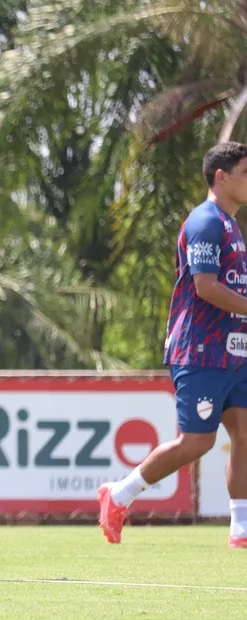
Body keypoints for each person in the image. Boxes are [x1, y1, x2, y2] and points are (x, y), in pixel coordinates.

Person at [98, 141, 247, 547]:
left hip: (234, 352)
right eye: (246, 173)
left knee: (245, 434)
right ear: (222, 176)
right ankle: (120, 493)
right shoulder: (205, 221)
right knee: (197, 442)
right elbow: (205, 287)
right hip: (199, 350)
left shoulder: (232, 226)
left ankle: (241, 528)